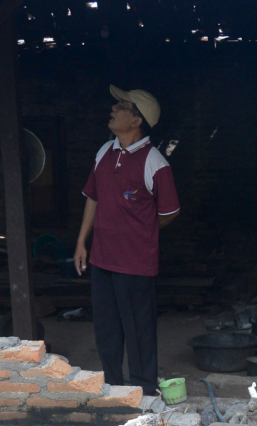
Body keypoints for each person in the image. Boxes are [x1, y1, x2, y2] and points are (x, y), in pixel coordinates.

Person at [73, 86, 180, 394]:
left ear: (136, 120)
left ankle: (144, 389)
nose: (113, 109)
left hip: (135, 262)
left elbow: (170, 212)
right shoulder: (104, 152)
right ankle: (112, 385)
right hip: (101, 257)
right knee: (106, 327)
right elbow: (92, 197)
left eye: (121, 106)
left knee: (138, 328)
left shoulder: (154, 162)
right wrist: (81, 242)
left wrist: (141, 232)